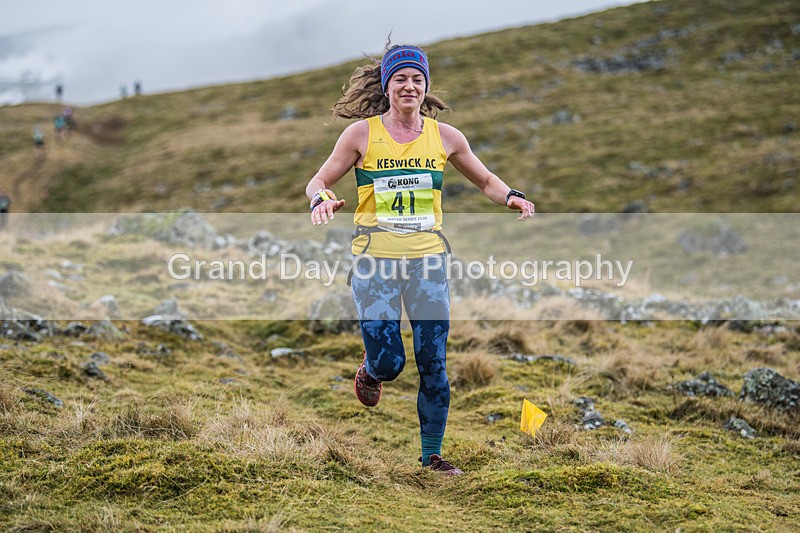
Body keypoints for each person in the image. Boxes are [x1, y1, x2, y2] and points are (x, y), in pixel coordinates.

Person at [305, 44, 534, 475]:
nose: (409, 85)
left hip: (428, 261)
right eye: (400, 78)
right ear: (387, 86)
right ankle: (371, 370)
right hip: (375, 261)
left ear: (425, 87)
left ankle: (432, 456)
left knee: (434, 362)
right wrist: (320, 197)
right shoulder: (360, 135)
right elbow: (318, 178)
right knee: (391, 363)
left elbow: (484, 178)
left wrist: (511, 196)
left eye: (417, 79)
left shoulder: (446, 137)